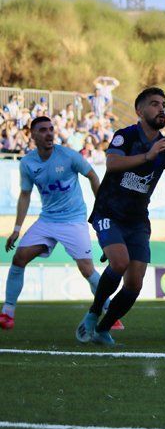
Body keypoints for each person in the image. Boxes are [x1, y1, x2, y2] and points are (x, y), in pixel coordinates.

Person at [75, 88, 165, 346]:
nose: (161, 108)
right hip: (109, 211)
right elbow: (113, 164)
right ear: (139, 111)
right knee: (119, 262)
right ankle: (94, 312)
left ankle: (104, 330)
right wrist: (147, 156)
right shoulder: (125, 135)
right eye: (154, 104)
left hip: (138, 220)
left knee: (135, 284)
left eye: (163, 104)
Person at [1, 117, 103, 330]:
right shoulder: (28, 163)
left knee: (86, 269)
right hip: (47, 220)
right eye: (43, 130)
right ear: (33, 135)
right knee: (19, 257)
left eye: (51, 129)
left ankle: (109, 308)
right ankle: (8, 313)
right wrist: (17, 229)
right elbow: (25, 195)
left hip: (73, 220)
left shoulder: (68, 156)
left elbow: (93, 176)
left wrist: (101, 208)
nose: (49, 134)